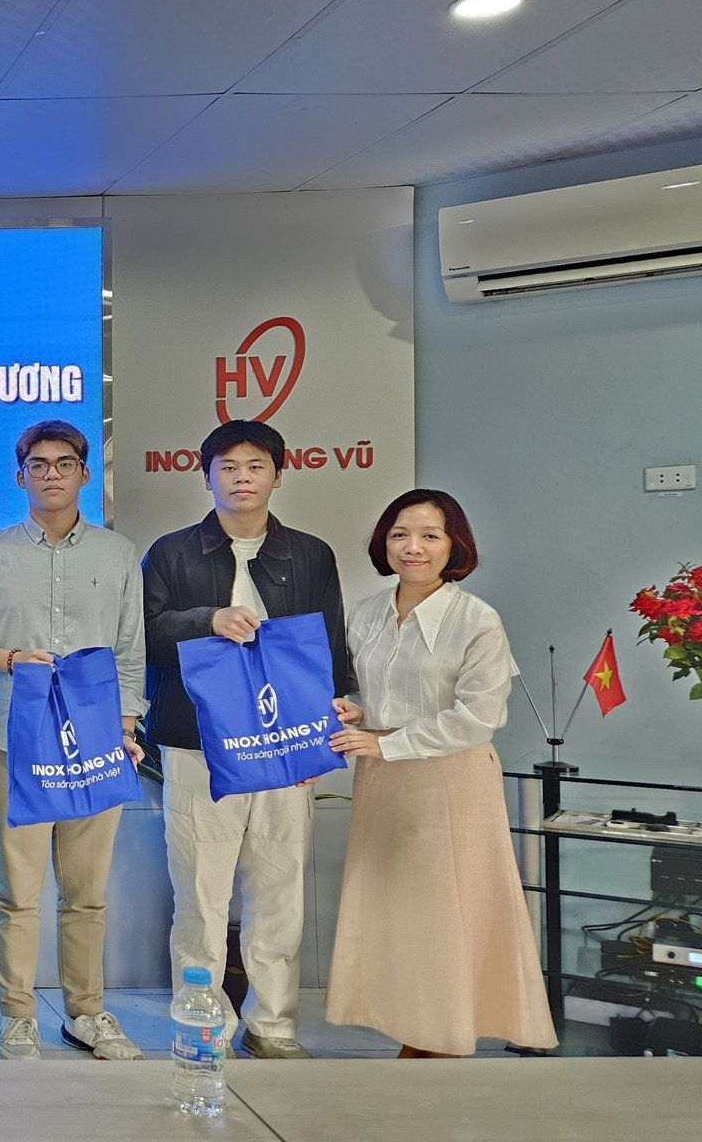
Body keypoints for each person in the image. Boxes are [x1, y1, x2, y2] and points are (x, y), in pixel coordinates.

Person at [142, 420, 356, 1060]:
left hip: (286, 746)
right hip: (198, 746)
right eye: (228, 467)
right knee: (200, 896)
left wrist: (327, 727)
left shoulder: (311, 554)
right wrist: (207, 620)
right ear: (206, 476)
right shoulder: (171, 553)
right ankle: (200, 1026)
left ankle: (273, 1026)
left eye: (255, 466)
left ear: (278, 475)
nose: (242, 478)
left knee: (279, 889)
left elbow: (329, 643)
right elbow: (144, 633)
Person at [326, 490, 556, 1057]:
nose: (413, 547)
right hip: (383, 780)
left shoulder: (476, 619)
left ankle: (446, 1037)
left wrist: (385, 742)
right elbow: (373, 695)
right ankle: (416, 1032)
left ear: (455, 546)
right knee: (398, 913)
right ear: (384, 542)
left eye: (430, 536)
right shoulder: (367, 612)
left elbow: (478, 718)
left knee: (447, 914)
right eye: (400, 534)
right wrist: (355, 712)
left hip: (451, 782)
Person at [0, 419, 148, 1062]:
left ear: (85, 473)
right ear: (21, 476)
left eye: (65, 463)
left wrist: (125, 729)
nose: (52, 474)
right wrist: (9, 659)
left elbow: (129, 650)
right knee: (17, 892)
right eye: (38, 465)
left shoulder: (118, 554)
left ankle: (86, 1013)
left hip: (97, 744)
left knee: (85, 893)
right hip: (15, 741)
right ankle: (17, 1018)